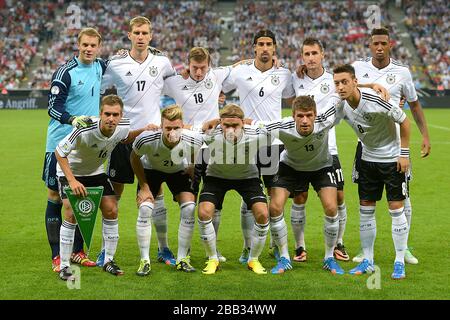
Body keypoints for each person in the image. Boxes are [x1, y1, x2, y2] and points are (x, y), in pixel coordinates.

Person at [100, 16, 178, 266]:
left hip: (152, 139)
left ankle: (163, 248)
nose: (141, 36)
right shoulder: (116, 62)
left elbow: (176, 87)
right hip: (122, 139)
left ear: (151, 35)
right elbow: (98, 88)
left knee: (156, 194)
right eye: (137, 32)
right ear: (129, 35)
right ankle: (106, 251)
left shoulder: (163, 62)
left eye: (145, 32)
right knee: (113, 197)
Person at [351, 27, 431, 264]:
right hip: (365, 142)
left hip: (397, 144)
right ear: (369, 44)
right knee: (366, 199)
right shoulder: (358, 68)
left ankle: (404, 248)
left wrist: (425, 136)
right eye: (375, 43)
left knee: (402, 198)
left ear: (390, 45)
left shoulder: (402, 72)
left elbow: (414, 106)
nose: (379, 48)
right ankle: (366, 251)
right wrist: (368, 87)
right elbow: (344, 86)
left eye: (383, 44)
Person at [221, 29, 295, 263]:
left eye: (269, 44)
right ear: (254, 47)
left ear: (275, 48)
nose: (265, 48)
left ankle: (276, 245)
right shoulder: (240, 72)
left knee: (275, 199)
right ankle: (247, 247)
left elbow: (296, 99)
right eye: (260, 44)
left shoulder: (284, 74)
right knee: (247, 199)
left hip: (274, 144)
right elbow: (217, 86)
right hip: (247, 144)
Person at [55, 95, 146, 280]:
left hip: (95, 172)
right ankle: (65, 265)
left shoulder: (123, 125)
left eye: (115, 114)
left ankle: (108, 260)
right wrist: (72, 181)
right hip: (70, 171)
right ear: (100, 114)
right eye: (107, 114)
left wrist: (144, 129)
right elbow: (59, 152)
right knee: (71, 212)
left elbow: (126, 138)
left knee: (112, 210)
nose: (111, 119)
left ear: (121, 115)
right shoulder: (84, 128)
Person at [332, 64, 411, 280]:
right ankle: (368, 260)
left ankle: (399, 261)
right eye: (337, 83)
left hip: (391, 159)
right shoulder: (340, 104)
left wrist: (404, 154)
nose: (340, 87)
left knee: (396, 209)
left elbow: (405, 122)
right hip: (367, 159)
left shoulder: (376, 99)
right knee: (365, 210)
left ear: (354, 81)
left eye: (344, 82)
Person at [255, 95, 345, 275]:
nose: (305, 121)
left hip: (322, 166)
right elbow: (255, 126)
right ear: (293, 115)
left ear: (315, 115)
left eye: (309, 115)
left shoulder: (325, 119)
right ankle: (284, 257)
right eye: (300, 116)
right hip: (291, 167)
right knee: (274, 207)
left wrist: (371, 86)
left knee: (331, 207)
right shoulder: (282, 126)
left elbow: (341, 94)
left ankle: (329, 257)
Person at [43, 27, 107, 272]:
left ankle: (78, 252)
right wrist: (72, 120)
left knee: (82, 195)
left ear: (98, 47)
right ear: (78, 45)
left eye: (93, 45)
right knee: (56, 197)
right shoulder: (65, 72)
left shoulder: (101, 66)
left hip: (87, 145)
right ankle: (58, 255)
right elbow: (53, 108)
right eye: (85, 45)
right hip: (59, 144)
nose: (89, 49)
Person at [162, 46, 234, 262]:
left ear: (209, 65)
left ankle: (213, 250)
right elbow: (152, 80)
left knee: (215, 201)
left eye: (203, 68)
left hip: (213, 147)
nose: (199, 72)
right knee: (188, 203)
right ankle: (184, 252)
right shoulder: (174, 82)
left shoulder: (217, 75)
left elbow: (240, 66)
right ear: (188, 65)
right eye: (195, 68)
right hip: (185, 149)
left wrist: (274, 62)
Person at [198, 104, 274, 275]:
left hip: (247, 177)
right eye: (226, 125)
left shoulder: (255, 135)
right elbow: (187, 131)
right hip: (216, 177)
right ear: (220, 124)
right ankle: (212, 259)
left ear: (242, 124)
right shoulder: (210, 134)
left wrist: (252, 122)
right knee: (204, 212)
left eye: (235, 125)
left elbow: (271, 132)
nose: (231, 129)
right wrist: (209, 123)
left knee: (262, 214)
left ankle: (253, 259)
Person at [130, 105, 202, 275]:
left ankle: (183, 259)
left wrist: (192, 166)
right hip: (151, 171)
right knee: (145, 209)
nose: (172, 133)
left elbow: (196, 152)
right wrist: (144, 186)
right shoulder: (146, 139)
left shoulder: (194, 139)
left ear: (182, 126)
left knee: (190, 207)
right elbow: (134, 158)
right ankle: (145, 261)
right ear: (161, 126)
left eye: (176, 128)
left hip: (178, 171)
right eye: (168, 128)